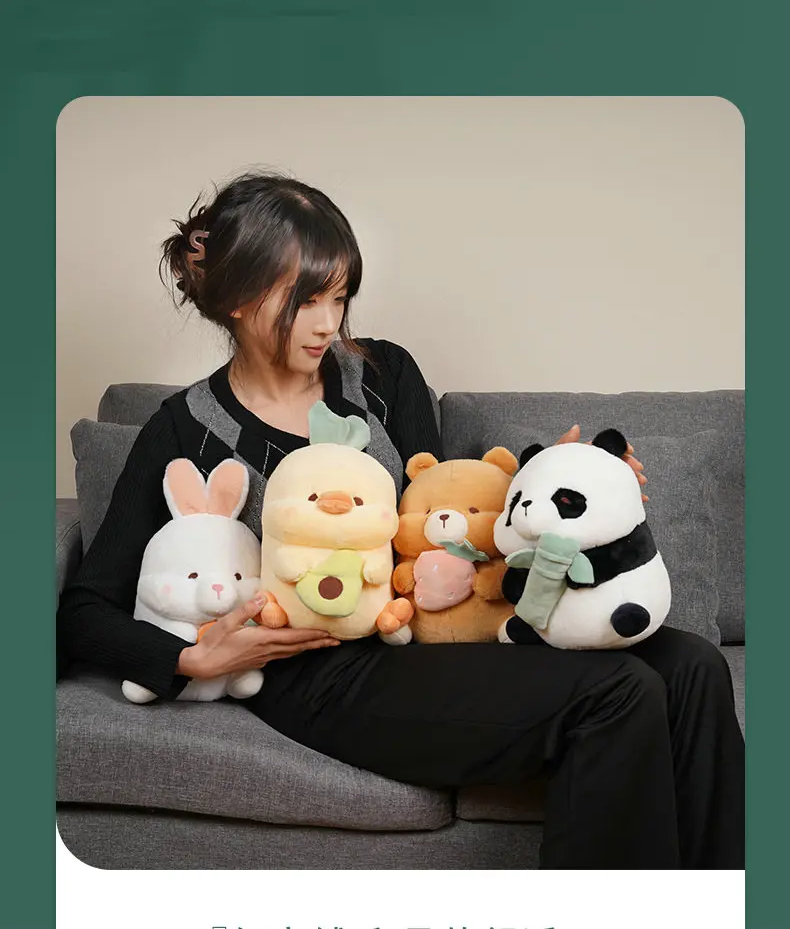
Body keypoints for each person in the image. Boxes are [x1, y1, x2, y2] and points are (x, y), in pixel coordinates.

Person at [57, 169, 745, 870]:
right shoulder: (183, 428)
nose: (328, 323)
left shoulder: (383, 375)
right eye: (304, 300)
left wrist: (561, 483)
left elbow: (441, 525)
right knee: (620, 693)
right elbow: (84, 609)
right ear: (237, 298)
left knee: (693, 666)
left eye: (339, 296)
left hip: (430, 633)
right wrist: (190, 659)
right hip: (321, 675)